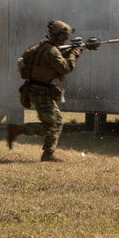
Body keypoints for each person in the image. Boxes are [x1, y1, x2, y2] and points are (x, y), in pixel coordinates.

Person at [6, 20, 84, 162]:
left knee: (57, 121)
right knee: (52, 125)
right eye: (64, 36)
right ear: (59, 36)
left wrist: (72, 48)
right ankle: (17, 130)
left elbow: (49, 60)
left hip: (37, 88)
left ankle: (48, 154)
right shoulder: (51, 50)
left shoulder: (41, 46)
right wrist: (75, 53)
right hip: (40, 90)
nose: (66, 39)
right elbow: (65, 68)